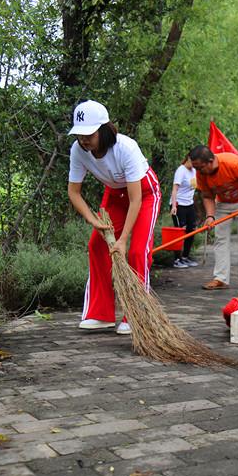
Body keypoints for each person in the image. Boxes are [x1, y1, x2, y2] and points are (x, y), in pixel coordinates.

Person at [67, 100, 162, 334]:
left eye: (89, 134)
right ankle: (100, 314)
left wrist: (122, 239)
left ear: (104, 129)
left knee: (137, 251)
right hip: (115, 194)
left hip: (144, 193)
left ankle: (138, 314)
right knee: (97, 246)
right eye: (79, 134)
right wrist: (92, 219)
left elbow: (136, 199)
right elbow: (73, 192)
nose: (83, 140)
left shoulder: (125, 147)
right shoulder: (78, 151)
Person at [189, 145, 238, 290]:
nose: (198, 172)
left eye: (200, 167)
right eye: (196, 168)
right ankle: (221, 278)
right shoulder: (202, 174)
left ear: (211, 161)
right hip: (223, 204)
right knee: (220, 239)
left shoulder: (232, 164)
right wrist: (210, 216)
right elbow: (207, 195)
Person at [169, 155, 198, 268]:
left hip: (189, 203)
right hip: (179, 204)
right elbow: (175, 189)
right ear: (188, 159)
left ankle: (185, 256)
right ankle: (177, 259)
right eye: (194, 161)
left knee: (192, 229)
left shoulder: (194, 170)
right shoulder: (181, 171)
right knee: (180, 231)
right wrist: (174, 206)